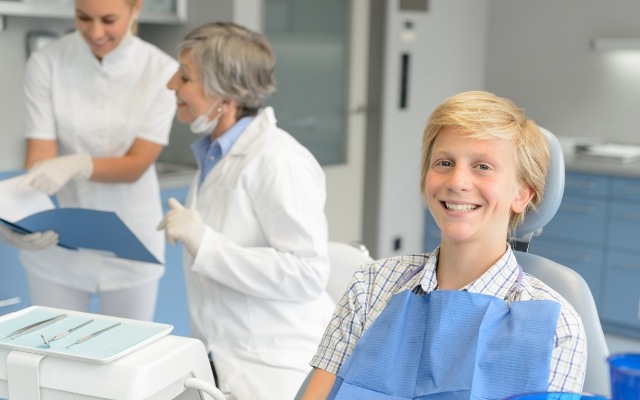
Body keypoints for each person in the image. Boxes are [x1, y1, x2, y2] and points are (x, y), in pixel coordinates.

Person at [302, 91, 587, 399]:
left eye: (482, 166)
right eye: (445, 162)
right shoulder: (370, 286)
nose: (457, 181)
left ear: (521, 195)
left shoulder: (555, 326)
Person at [157, 22, 335, 399]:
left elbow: (307, 273)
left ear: (225, 94)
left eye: (185, 76)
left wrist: (206, 243)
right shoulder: (214, 154)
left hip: (275, 369)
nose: (172, 84)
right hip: (222, 359)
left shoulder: (278, 160)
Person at [0, 0, 178, 321]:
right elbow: (39, 157)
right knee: (53, 354)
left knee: (129, 356)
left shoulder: (162, 71)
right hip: (59, 242)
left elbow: (137, 164)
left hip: (132, 238)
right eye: (83, 17)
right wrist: (20, 218)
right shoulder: (47, 63)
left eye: (109, 19)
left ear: (136, 8)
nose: (95, 31)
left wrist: (78, 164)